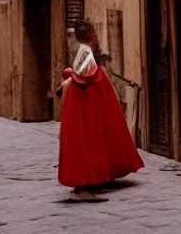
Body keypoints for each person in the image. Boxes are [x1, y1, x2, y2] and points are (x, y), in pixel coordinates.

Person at [56, 20, 144, 200]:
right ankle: (83, 186)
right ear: (91, 36)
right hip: (84, 106)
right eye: (94, 34)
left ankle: (90, 179)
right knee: (84, 141)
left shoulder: (81, 50)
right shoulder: (86, 51)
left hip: (82, 104)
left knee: (83, 141)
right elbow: (84, 75)